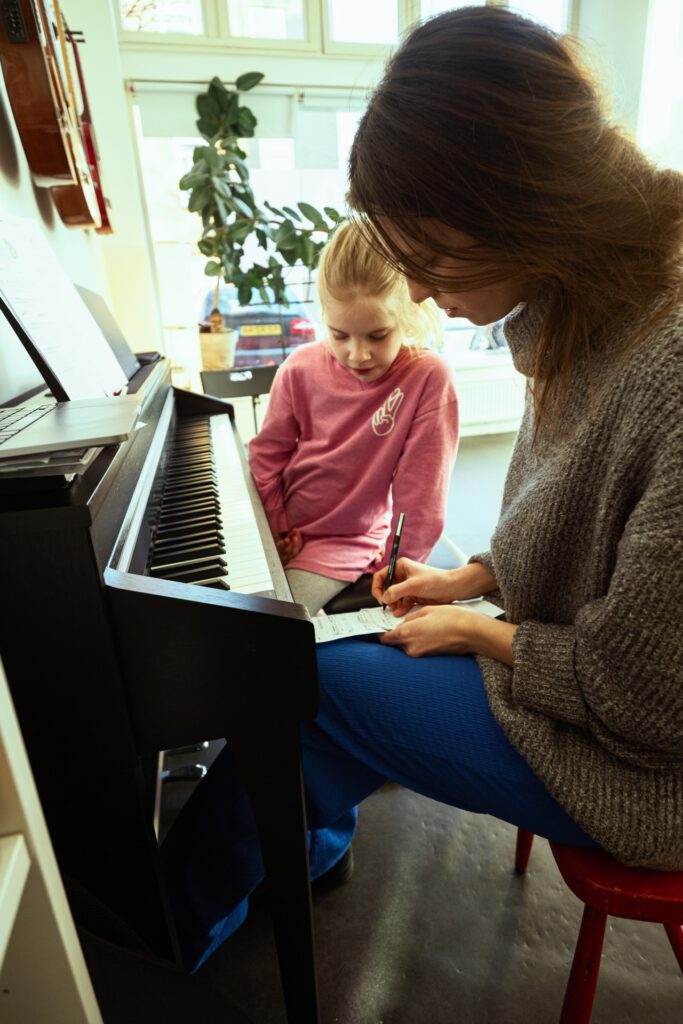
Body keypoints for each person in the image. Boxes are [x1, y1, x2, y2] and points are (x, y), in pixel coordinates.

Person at [160, 5, 683, 972]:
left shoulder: (668, 356)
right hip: (575, 683)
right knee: (321, 688)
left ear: (520, 200)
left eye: (431, 261)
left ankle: (164, 931)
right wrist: (471, 579)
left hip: (646, 773)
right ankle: (264, 866)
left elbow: (648, 700)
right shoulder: (592, 304)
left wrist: (483, 630)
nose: (425, 292)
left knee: (304, 682)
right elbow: (573, 527)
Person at [247, 218, 459, 615]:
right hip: (278, 530)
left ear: (410, 314)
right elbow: (266, 457)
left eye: (378, 336)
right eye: (339, 335)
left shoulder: (427, 377)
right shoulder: (298, 368)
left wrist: (397, 569)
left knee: (271, 627)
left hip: (345, 542)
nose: (357, 355)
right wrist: (275, 527)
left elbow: (422, 497)